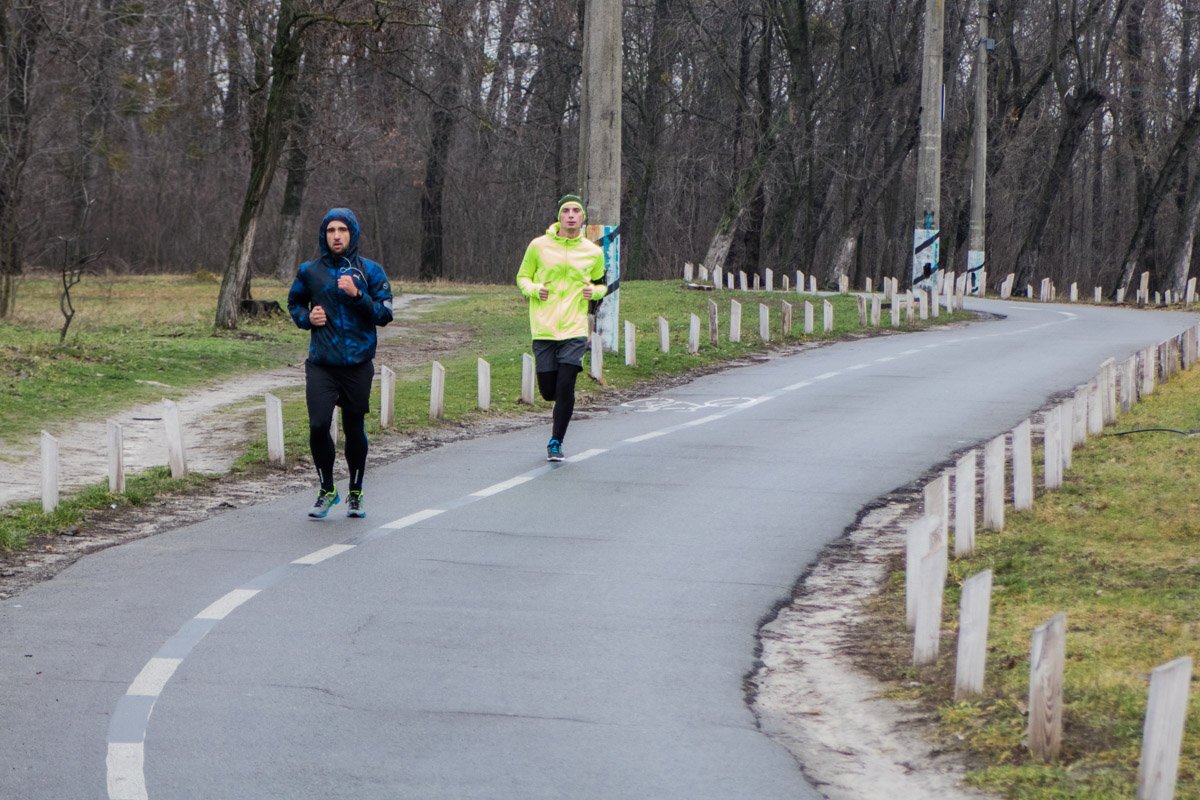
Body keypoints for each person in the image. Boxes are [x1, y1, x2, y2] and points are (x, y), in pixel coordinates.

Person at [288, 208, 394, 518]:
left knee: (353, 427)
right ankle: (327, 489)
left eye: (343, 230)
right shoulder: (310, 271)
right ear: (324, 235)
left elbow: (385, 314)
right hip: (322, 363)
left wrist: (358, 294)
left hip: (358, 364)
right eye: (331, 230)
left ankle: (356, 492)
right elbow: (294, 303)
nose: (337, 236)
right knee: (318, 425)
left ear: (353, 234)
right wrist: (307, 318)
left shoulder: (370, 271)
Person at [516, 194, 608, 461]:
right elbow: (522, 277)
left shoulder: (593, 252)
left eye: (575, 211)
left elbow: (602, 284)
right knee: (548, 391)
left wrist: (594, 292)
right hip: (544, 327)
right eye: (566, 210)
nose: (570, 215)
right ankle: (560, 406)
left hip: (574, 329)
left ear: (582, 218)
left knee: (566, 385)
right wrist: (535, 289)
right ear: (559, 216)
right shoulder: (538, 246)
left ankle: (556, 441)